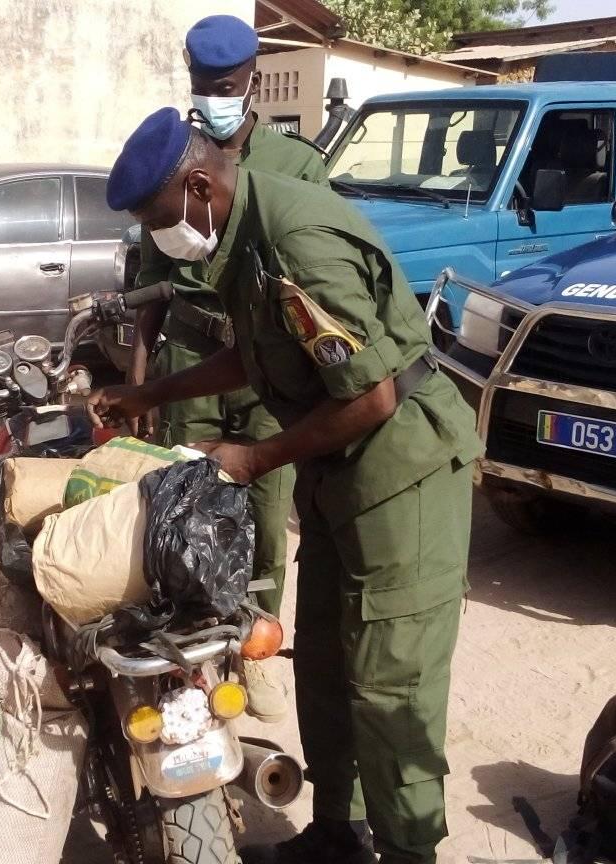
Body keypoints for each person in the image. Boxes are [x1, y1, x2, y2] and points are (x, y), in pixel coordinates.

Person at [94, 108, 483, 864]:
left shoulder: (297, 242)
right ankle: (339, 835)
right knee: (331, 669)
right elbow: (260, 354)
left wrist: (255, 458)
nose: (160, 238)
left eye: (158, 218)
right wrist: (150, 396)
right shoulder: (239, 233)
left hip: (402, 474)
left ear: (199, 185)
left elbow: (371, 396)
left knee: (391, 687)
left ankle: (409, 851)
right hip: (340, 473)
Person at [126, 14, 327, 723]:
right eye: (203, 86)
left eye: (228, 85)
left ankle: (256, 650)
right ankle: (195, 660)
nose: (215, 97)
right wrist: (144, 381)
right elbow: (150, 282)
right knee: (184, 508)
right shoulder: (175, 160)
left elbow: (315, 281)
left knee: (267, 518)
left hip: (269, 366)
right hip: (190, 354)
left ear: (252, 81)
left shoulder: (296, 164)